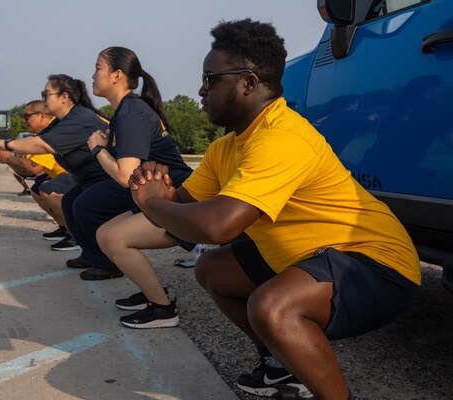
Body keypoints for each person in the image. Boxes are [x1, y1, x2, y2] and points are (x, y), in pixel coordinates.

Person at [127, 19, 421, 400]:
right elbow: (183, 210)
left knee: (273, 308)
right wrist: (154, 185)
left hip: (376, 263)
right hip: (312, 254)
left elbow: (218, 226)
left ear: (248, 83)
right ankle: (280, 367)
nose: (201, 90)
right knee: (213, 270)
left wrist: (151, 203)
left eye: (210, 79)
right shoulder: (226, 148)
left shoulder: (281, 136)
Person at [65, 46, 193, 284]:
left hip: (170, 189)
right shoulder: (125, 110)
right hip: (147, 180)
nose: (92, 75)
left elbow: (125, 176)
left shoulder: (131, 112)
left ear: (117, 75)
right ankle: (93, 253)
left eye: (97, 68)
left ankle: (106, 263)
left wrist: (97, 149)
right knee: (73, 197)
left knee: (85, 204)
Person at [0, 74, 109, 256]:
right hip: (88, 180)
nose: (43, 99)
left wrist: (5, 145)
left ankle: (104, 262)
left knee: (80, 205)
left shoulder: (77, 119)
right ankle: (90, 255)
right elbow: (38, 140)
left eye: (46, 94)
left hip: (106, 179)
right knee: (69, 202)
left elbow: (43, 145)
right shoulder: (62, 120)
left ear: (65, 97)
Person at [0, 100, 76, 242]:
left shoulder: (51, 133)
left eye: (27, 116)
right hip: (66, 174)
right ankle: (64, 228)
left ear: (42, 115)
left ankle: (75, 236)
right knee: (37, 188)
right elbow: (28, 168)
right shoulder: (43, 133)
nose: (24, 121)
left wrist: (8, 158)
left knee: (48, 189)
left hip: (80, 175)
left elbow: (32, 168)